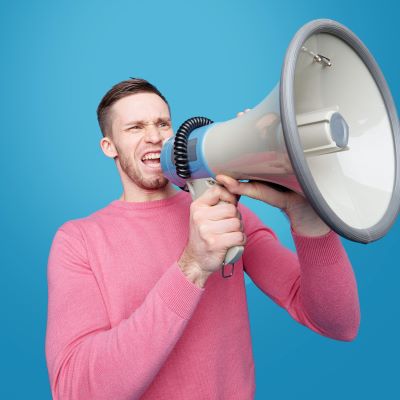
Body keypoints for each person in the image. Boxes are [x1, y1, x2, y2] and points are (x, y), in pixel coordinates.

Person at [45, 78, 360, 400]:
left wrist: (306, 217)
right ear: (108, 146)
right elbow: (75, 391)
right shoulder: (78, 240)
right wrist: (192, 266)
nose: (154, 136)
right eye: (135, 128)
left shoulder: (223, 213)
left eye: (162, 123)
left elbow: (338, 323)